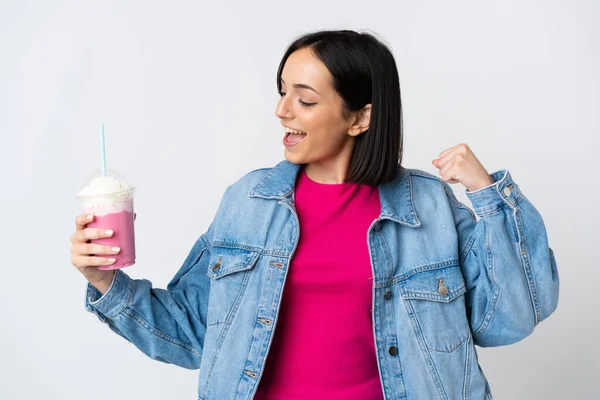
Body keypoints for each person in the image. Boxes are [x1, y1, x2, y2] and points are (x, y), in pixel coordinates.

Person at [70, 30, 559, 400]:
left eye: (304, 99)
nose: (283, 111)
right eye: (282, 92)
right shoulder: (249, 202)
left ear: (360, 117)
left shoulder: (428, 207)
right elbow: (195, 334)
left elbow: (507, 320)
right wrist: (104, 282)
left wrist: (490, 194)